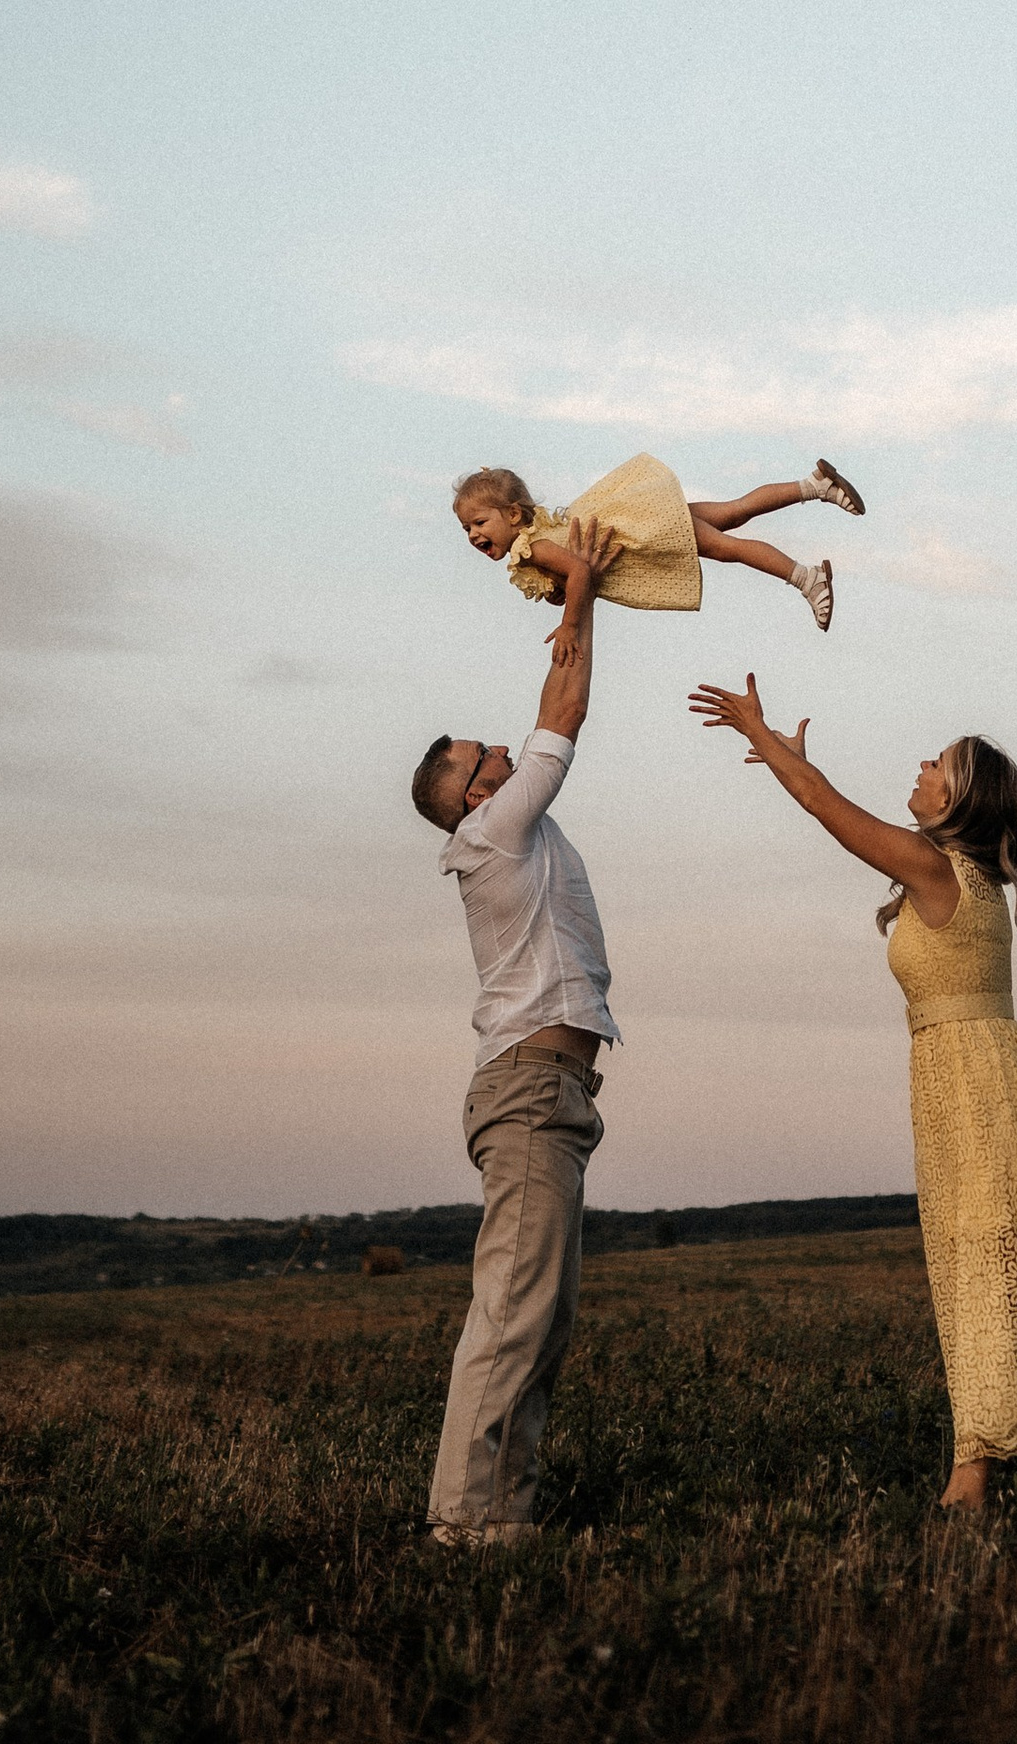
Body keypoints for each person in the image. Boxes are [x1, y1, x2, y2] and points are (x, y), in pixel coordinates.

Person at [689, 678, 1017, 1518]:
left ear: (960, 800)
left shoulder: (938, 868)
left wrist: (765, 739)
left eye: (938, 764)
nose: (920, 765)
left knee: (990, 1269)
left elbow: (821, 807)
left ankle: (975, 1474)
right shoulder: (963, 879)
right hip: (978, 1082)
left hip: (979, 1087)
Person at [409, 514, 625, 1542]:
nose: (501, 742)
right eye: (482, 752)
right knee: (513, 1315)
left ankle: (504, 1514)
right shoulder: (494, 829)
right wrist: (576, 585)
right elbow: (568, 699)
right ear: (473, 792)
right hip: (532, 1091)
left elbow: (559, 692)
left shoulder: (507, 827)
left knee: (541, 1318)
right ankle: (464, 1523)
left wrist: (583, 595)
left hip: (549, 1091)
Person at [455, 449, 866, 643]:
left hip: (646, 532)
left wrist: (569, 627)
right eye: (466, 529)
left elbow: (581, 572)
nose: (473, 534)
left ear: (512, 515)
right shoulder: (536, 543)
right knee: (734, 511)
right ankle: (815, 486)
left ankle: (807, 579)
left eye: (479, 522)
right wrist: (560, 594)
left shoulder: (533, 548)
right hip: (642, 521)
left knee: (728, 547)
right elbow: (570, 580)